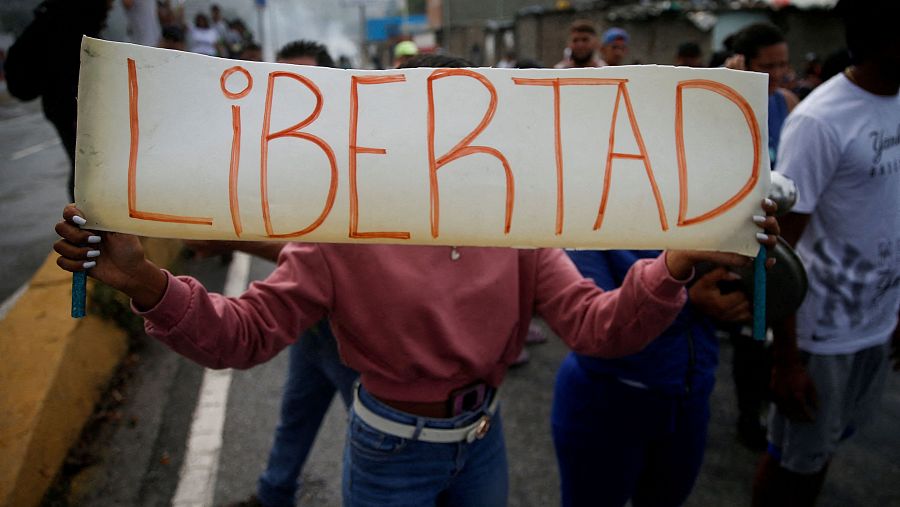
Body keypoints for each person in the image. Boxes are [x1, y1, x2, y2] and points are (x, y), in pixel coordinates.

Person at [54, 52, 780, 506]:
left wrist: (678, 259)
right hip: (388, 449)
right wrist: (144, 279)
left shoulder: (516, 226)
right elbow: (243, 334)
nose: (453, 141)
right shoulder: (343, 232)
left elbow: (598, 326)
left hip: (482, 437)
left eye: (466, 121)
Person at [753, 1, 900, 506]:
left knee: (829, 445)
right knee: (795, 463)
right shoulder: (819, 120)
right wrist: (787, 358)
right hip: (821, 334)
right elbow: (779, 248)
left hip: (876, 323)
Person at [210, 41, 358, 507]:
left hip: (351, 331)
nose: (291, 95)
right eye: (283, 82)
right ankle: (274, 493)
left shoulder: (354, 158)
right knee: (296, 411)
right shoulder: (284, 148)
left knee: (377, 432)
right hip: (307, 324)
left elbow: (324, 258)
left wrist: (228, 240)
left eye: (305, 83)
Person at [552, 250, 750, 507]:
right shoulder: (591, 220)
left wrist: (739, 299)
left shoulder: (700, 216)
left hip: (689, 397)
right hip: (607, 400)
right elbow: (596, 325)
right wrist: (691, 302)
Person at [724, 22, 800, 449]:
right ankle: (746, 413)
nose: (780, 74)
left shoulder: (787, 103)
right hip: (743, 235)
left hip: (781, 227)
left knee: (777, 322)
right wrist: (732, 88)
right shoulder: (732, 100)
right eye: (768, 68)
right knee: (749, 332)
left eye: (784, 64)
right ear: (746, 65)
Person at [3, 0, 112, 201]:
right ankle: (86, 217)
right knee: (86, 168)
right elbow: (72, 68)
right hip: (71, 106)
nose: (112, 6)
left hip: (63, 106)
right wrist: (80, 110)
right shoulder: (74, 20)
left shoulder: (58, 16)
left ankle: (85, 214)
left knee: (83, 166)